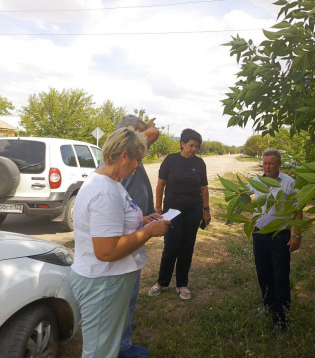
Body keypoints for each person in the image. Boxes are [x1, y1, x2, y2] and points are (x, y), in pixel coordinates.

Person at [70, 127, 170, 358]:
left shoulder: (110, 183)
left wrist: (143, 220)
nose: (138, 166)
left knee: (108, 347)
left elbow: (113, 223)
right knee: (99, 352)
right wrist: (149, 232)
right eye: (137, 160)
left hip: (107, 280)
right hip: (103, 282)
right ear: (124, 156)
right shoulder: (105, 191)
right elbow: (106, 251)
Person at [113, 115, 159, 358]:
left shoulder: (127, 160)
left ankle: (124, 329)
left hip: (137, 227)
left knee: (128, 291)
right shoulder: (124, 161)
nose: (141, 162)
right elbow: (155, 133)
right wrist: (150, 128)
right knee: (126, 292)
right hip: (129, 235)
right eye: (139, 135)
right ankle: (122, 345)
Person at [148, 128, 211, 300]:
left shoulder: (200, 163)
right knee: (171, 245)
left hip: (193, 210)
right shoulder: (170, 160)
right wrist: (158, 209)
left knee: (187, 246)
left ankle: (182, 284)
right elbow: (160, 185)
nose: (194, 149)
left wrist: (206, 210)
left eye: (197, 146)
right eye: (191, 145)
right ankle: (162, 282)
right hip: (172, 211)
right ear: (182, 144)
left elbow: (204, 188)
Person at [248, 148, 303, 332]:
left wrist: (296, 235)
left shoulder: (288, 183)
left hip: (280, 237)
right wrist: (249, 207)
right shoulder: (256, 181)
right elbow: (243, 196)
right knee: (263, 274)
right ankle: (269, 308)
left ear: (279, 164)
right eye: (264, 163)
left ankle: (282, 317)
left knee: (280, 276)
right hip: (259, 235)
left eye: (271, 163)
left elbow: (298, 209)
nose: (267, 166)